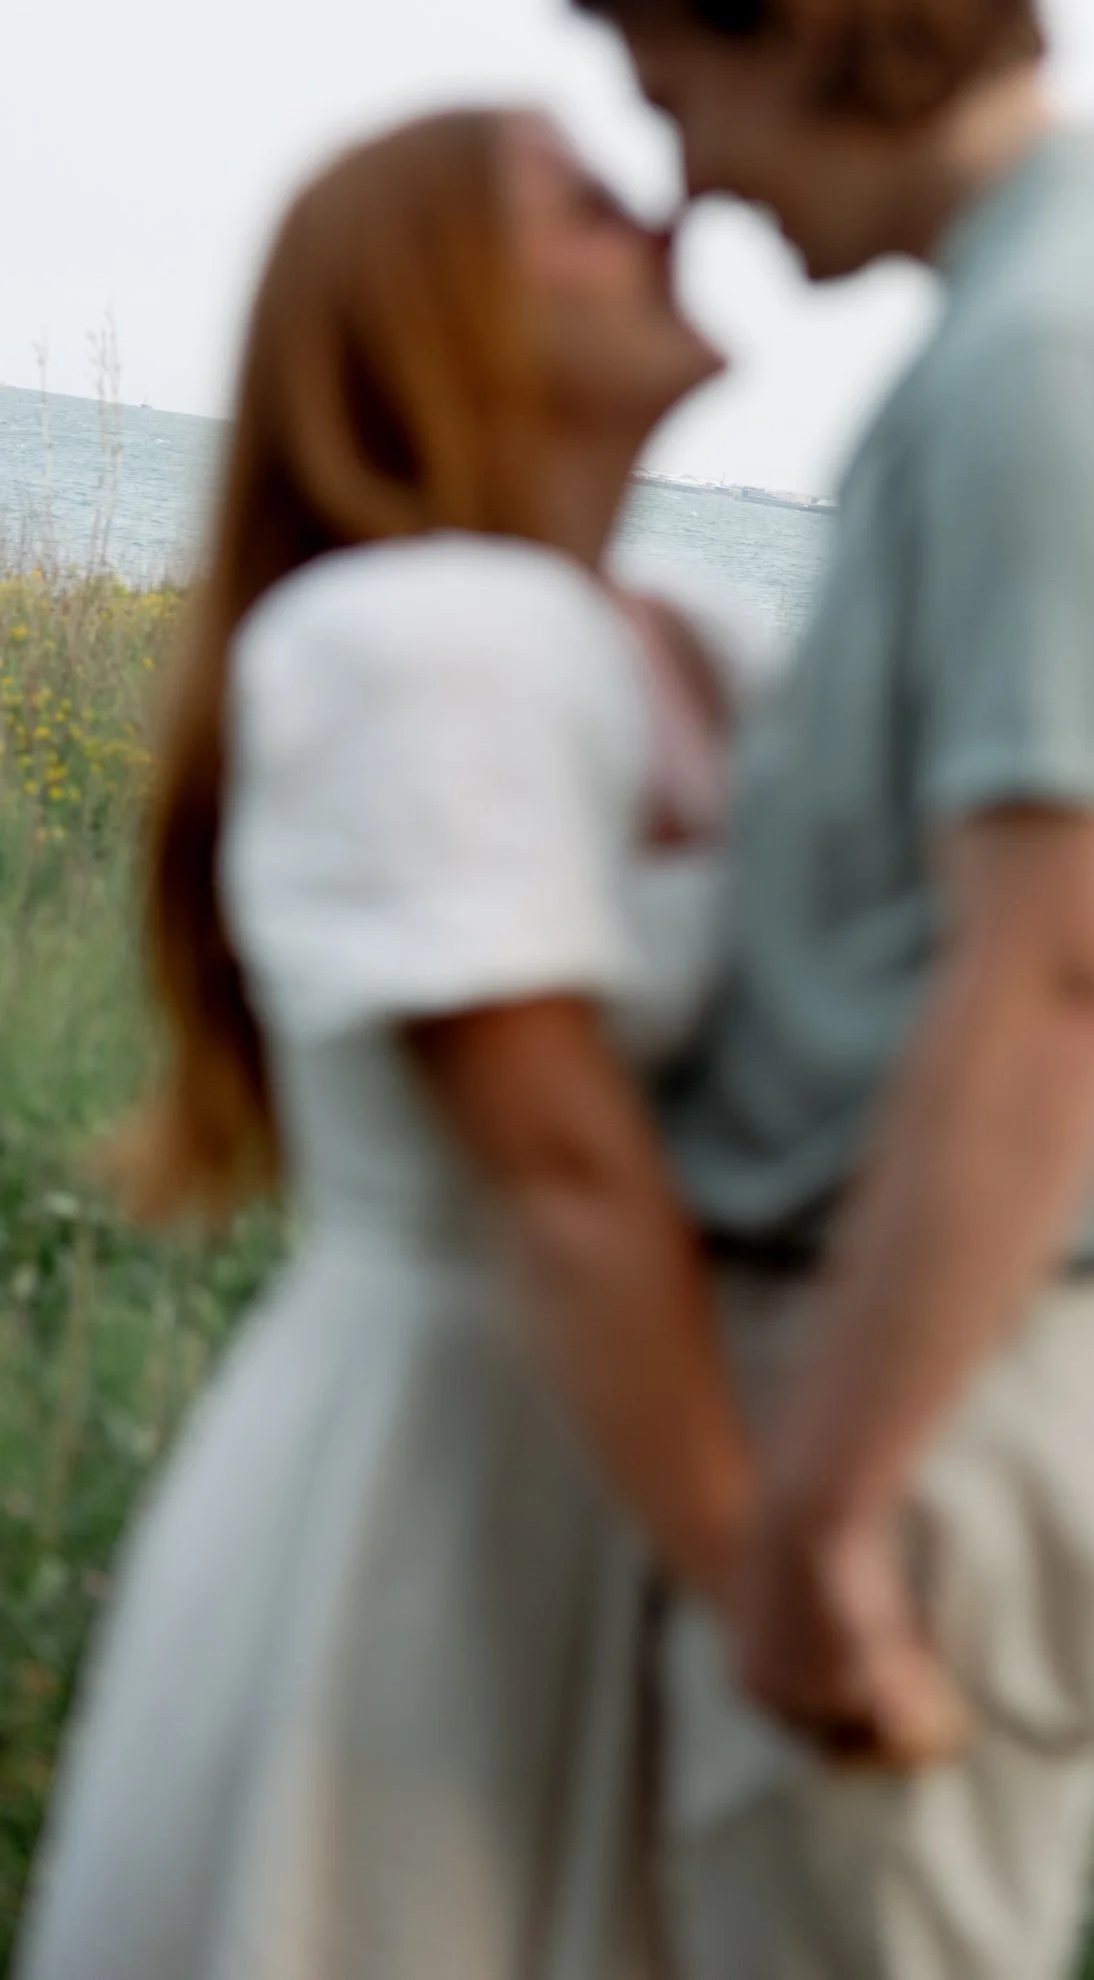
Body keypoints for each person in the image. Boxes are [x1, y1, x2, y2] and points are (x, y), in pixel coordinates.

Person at [572, 0, 1094, 1980]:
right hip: (975, 1375)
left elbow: (1062, 978)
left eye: (677, 89)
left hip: (951, 1409)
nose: (683, 176)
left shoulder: (1051, 363)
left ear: (804, 16)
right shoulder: (1089, 304)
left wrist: (812, 1511)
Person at [20, 109, 760, 1980]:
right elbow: (563, 1171)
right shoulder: (420, 640)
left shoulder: (697, 644)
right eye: (589, 206)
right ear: (446, 317)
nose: (663, 213)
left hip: (629, 1466)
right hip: (451, 1502)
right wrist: (772, 1587)